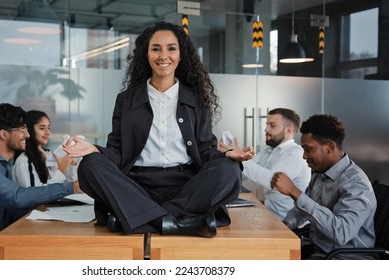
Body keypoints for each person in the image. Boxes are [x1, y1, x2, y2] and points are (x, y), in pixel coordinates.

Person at [62, 21, 254, 238]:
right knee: (90, 166)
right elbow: (117, 152)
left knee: (229, 169)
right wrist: (94, 149)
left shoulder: (197, 99)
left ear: (181, 55)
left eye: (171, 48)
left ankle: (139, 219)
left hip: (185, 187)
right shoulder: (126, 100)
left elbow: (205, 150)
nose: (164, 55)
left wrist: (228, 155)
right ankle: (178, 222)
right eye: (156, 49)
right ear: (146, 54)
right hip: (136, 186)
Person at [0, 103, 81, 259]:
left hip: (2, 238)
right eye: (22, 129)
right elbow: (18, 198)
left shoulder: (5, 163)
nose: (27, 135)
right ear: (4, 134)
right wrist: (72, 186)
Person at [271, 114, 377, 259]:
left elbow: (342, 233)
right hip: (320, 252)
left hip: (346, 260)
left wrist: (294, 191)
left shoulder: (356, 183)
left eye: (308, 149)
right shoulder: (320, 173)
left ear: (329, 147)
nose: (304, 156)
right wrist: (286, 224)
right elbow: (303, 209)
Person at [218, 108, 311, 220]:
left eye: (272, 125)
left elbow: (272, 181)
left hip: (289, 223)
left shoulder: (295, 153)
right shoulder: (268, 151)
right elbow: (242, 173)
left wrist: (240, 158)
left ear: (288, 130)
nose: (266, 129)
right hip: (271, 216)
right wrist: (231, 158)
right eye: (267, 125)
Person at [12, 110, 78, 187]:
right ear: (29, 130)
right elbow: (34, 195)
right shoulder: (24, 161)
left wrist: (71, 163)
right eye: (42, 128)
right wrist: (61, 169)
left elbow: (69, 182)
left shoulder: (49, 154)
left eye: (48, 128)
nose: (47, 132)